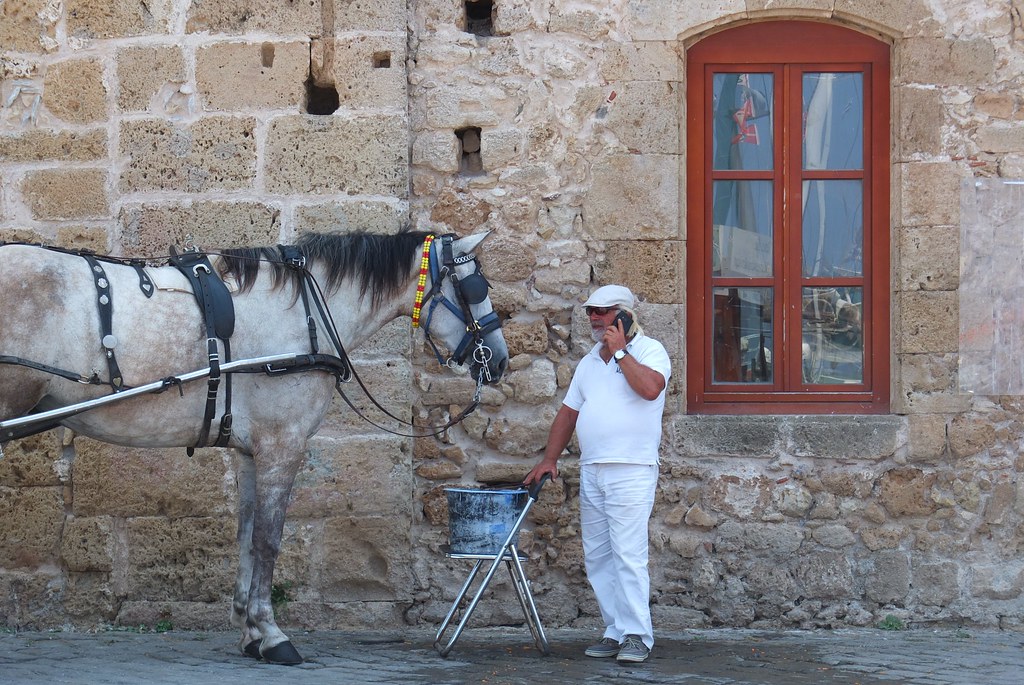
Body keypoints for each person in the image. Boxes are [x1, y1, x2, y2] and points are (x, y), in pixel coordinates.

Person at [524, 284, 671, 664]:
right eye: (590, 311)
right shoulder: (589, 362)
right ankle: (616, 630)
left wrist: (621, 351)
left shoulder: (649, 351)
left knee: (628, 553)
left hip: (631, 469)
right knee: (599, 556)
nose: (593, 317)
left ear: (623, 315)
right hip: (593, 469)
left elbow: (651, 390)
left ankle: (639, 634)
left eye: (602, 311)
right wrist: (549, 459)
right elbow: (568, 413)